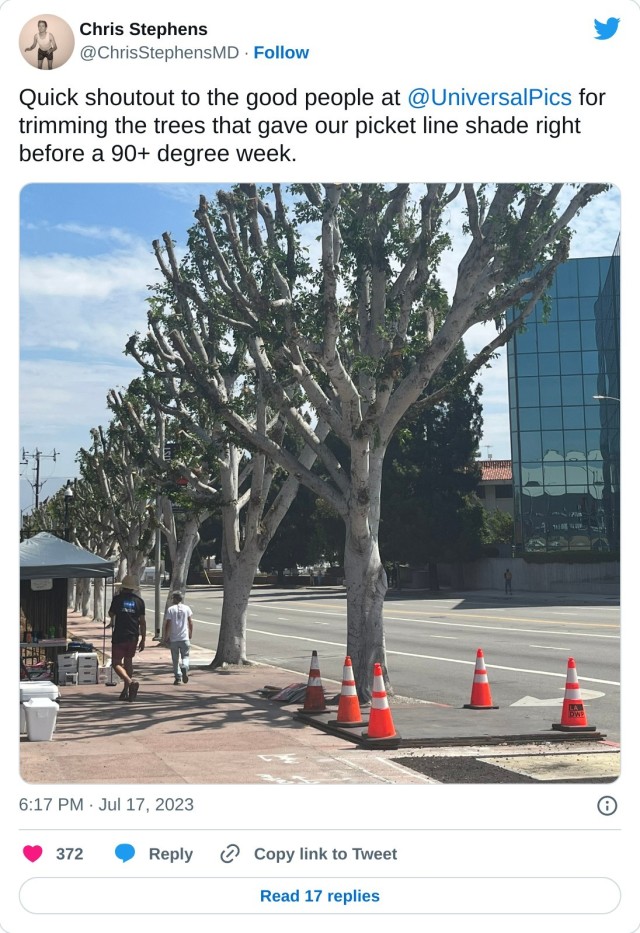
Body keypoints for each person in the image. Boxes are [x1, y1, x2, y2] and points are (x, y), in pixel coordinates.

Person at [107, 575, 146, 701]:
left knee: (116, 663)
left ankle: (129, 682)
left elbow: (111, 614)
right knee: (128, 661)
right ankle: (126, 691)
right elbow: (143, 622)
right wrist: (143, 639)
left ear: (123, 587)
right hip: (133, 636)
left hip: (120, 635)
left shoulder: (117, 599)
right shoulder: (139, 601)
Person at [163, 591, 193, 685]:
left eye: (172, 598)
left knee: (175, 660)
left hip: (174, 638)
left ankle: (178, 677)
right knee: (186, 656)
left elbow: (168, 624)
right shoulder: (187, 608)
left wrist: (166, 636)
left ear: (175, 599)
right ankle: (185, 666)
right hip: (184, 637)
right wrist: (190, 633)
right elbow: (190, 622)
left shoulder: (171, 609)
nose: (172, 600)